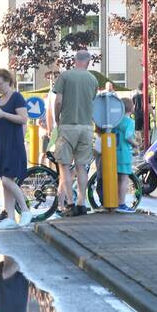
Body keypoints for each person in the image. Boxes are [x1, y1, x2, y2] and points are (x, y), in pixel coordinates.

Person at [53, 50, 99, 216]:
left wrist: (57, 119)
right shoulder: (93, 79)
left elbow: (58, 101)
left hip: (68, 126)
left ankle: (70, 204)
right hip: (86, 127)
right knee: (82, 168)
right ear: (88, 62)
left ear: (74, 60)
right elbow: (93, 102)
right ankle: (81, 202)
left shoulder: (65, 76)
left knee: (64, 166)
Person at [0, 68, 31, 229]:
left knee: (7, 179)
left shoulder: (17, 97)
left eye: (0, 83)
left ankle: (25, 210)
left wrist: (4, 115)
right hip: (1, 142)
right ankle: (11, 217)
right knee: (5, 181)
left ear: (8, 81)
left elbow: (23, 118)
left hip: (14, 143)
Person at [114, 97, 138, 212]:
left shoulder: (115, 121)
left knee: (116, 179)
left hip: (114, 152)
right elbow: (128, 136)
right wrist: (135, 144)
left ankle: (114, 201)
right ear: (131, 108)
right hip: (124, 153)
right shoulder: (130, 122)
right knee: (124, 179)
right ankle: (122, 203)